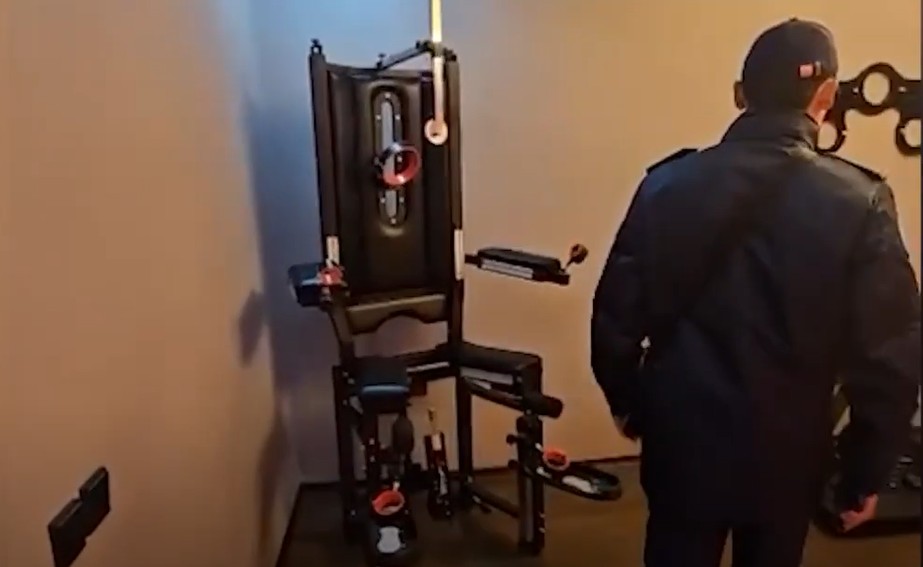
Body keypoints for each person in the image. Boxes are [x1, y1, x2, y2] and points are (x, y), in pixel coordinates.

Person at [590, 18, 920, 567]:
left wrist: (631, 405)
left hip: (682, 441)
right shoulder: (860, 201)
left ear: (740, 94)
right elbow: (891, 356)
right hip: (787, 452)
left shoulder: (665, 185)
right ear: (827, 96)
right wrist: (864, 473)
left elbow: (614, 319)